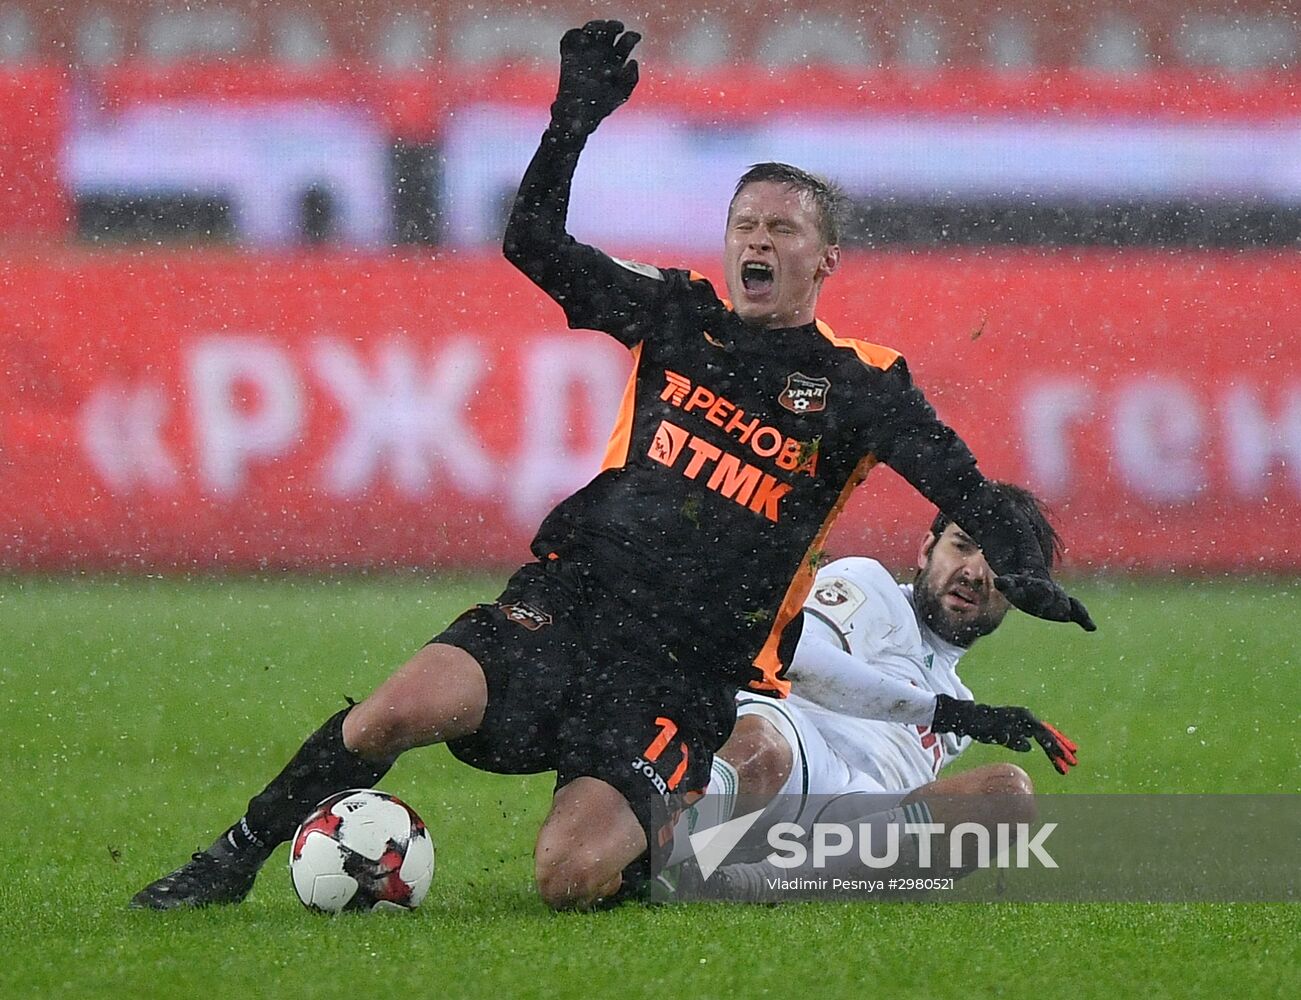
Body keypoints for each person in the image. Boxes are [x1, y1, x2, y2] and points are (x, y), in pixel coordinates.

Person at [130, 21, 1092, 913]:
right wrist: (571, 118)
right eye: (744, 224)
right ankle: (232, 856)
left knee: (569, 878)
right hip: (575, 596)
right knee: (393, 713)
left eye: (782, 229)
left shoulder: (860, 386)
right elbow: (533, 245)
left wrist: (1026, 575)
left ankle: (680, 850)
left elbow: (961, 485)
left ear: (824, 259)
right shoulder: (678, 316)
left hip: (683, 668)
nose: (756, 241)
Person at [660, 483, 1078, 898]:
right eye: (962, 545)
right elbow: (794, 657)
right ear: (926, 549)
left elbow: (916, 815)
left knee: (1007, 795)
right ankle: (651, 854)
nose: (973, 572)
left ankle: (753, 882)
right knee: (765, 742)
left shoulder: (960, 709)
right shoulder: (868, 586)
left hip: (852, 828)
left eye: (998, 562)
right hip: (789, 768)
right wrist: (939, 711)